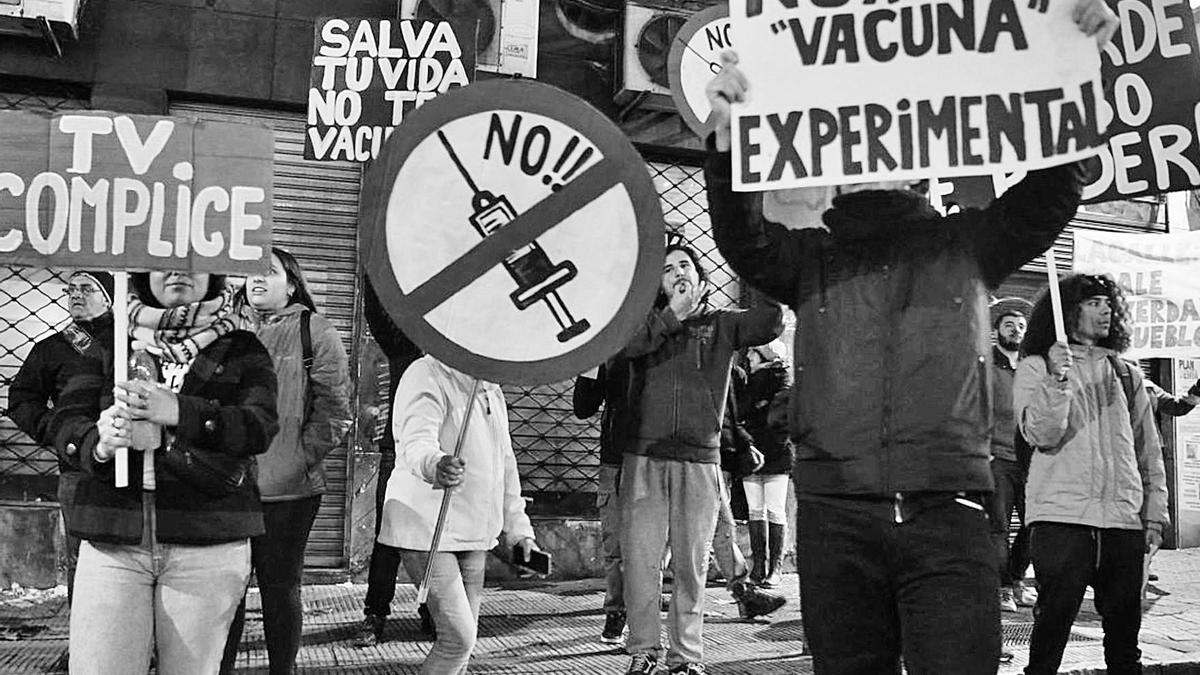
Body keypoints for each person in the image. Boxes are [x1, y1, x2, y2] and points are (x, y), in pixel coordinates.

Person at [701, 2, 1118, 670]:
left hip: (948, 513)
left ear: (923, 158)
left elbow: (1049, 194)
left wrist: (1074, 69)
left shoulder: (966, 243)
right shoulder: (810, 258)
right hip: (837, 517)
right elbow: (742, 239)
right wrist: (726, 146)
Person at [48, 270, 278, 674]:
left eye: (192, 261)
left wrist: (180, 412)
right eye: (163, 261)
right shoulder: (111, 343)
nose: (178, 271)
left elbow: (259, 427)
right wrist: (97, 441)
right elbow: (66, 418)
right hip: (113, 540)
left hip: (207, 542)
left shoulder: (241, 347)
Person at [620, 243, 783, 675]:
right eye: (667, 267)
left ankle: (685, 657)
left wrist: (762, 269)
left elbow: (770, 322)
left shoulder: (721, 326)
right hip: (644, 458)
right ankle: (643, 652)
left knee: (691, 567)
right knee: (641, 563)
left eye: (685, 265)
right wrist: (670, 316)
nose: (677, 272)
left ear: (701, 277)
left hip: (699, 461)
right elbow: (625, 347)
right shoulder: (644, 324)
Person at [1014, 273, 1168, 675]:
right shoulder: (1035, 366)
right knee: (1050, 635)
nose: (1106, 310)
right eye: (1093, 302)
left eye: (1107, 302)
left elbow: (1147, 449)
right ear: (1068, 312)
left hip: (1122, 520)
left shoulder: (1126, 373)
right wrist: (1057, 378)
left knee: (1124, 642)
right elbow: (1040, 434)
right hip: (1061, 519)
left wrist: (1154, 513)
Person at [220, 248, 352, 674]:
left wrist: (299, 456)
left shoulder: (316, 331)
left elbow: (335, 411)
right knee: (225, 592)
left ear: (291, 284)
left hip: (290, 491)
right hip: (226, 487)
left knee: (279, 589)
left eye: (270, 273)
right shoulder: (225, 329)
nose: (257, 279)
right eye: (251, 273)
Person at [376, 354, 540, 674]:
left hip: (475, 533)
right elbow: (415, 442)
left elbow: (506, 467)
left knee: (464, 646)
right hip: (427, 527)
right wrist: (436, 464)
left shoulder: (491, 389)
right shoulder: (426, 373)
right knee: (457, 639)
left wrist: (520, 532)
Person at [7, 270, 115, 604]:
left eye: (87, 288)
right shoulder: (52, 349)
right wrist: (55, 431)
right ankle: (83, 646)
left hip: (133, 465)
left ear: (108, 297)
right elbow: (23, 399)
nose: (76, 295)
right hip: (77, 470)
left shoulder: (130, 341)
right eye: (71, 289)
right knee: (81, 557)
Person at [354, 276, 432, 647]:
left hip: (446, 459)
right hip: (399, 453)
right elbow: (379, 318)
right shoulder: (407, 347)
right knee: (388, 537)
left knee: (439, 538)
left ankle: (433, 610)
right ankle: (375, 613)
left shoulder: (463, 361)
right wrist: (375, 266)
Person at [573, 357, 635, 644]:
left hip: (653, 458)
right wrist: (591, 361)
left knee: (649, 548)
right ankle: (616, 611)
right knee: (615, 546)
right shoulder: (609, 351)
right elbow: (583, 407)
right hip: (616, 459)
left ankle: (639, 618)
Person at [987, 308, 1037, 613]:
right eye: (1009, 325)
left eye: (1021, 326)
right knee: (999, 528)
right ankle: (1002, 588)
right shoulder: (986, 367)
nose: (1016, 330)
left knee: (1035, 524)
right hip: (998, 459)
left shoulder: (1032, 367)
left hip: (1032, 459)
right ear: (997, 331)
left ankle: (1018, 580)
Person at [738, 343, 794, 589]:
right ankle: (759, 565)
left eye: (753, 351)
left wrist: (756, 411)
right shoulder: (750, 380)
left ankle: (775, 567)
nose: (748, 356)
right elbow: (744, 410)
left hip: (775, 452)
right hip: (752, 452)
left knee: (774, 509)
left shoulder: (780, 380)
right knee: (755, 509)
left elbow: (773, 415)